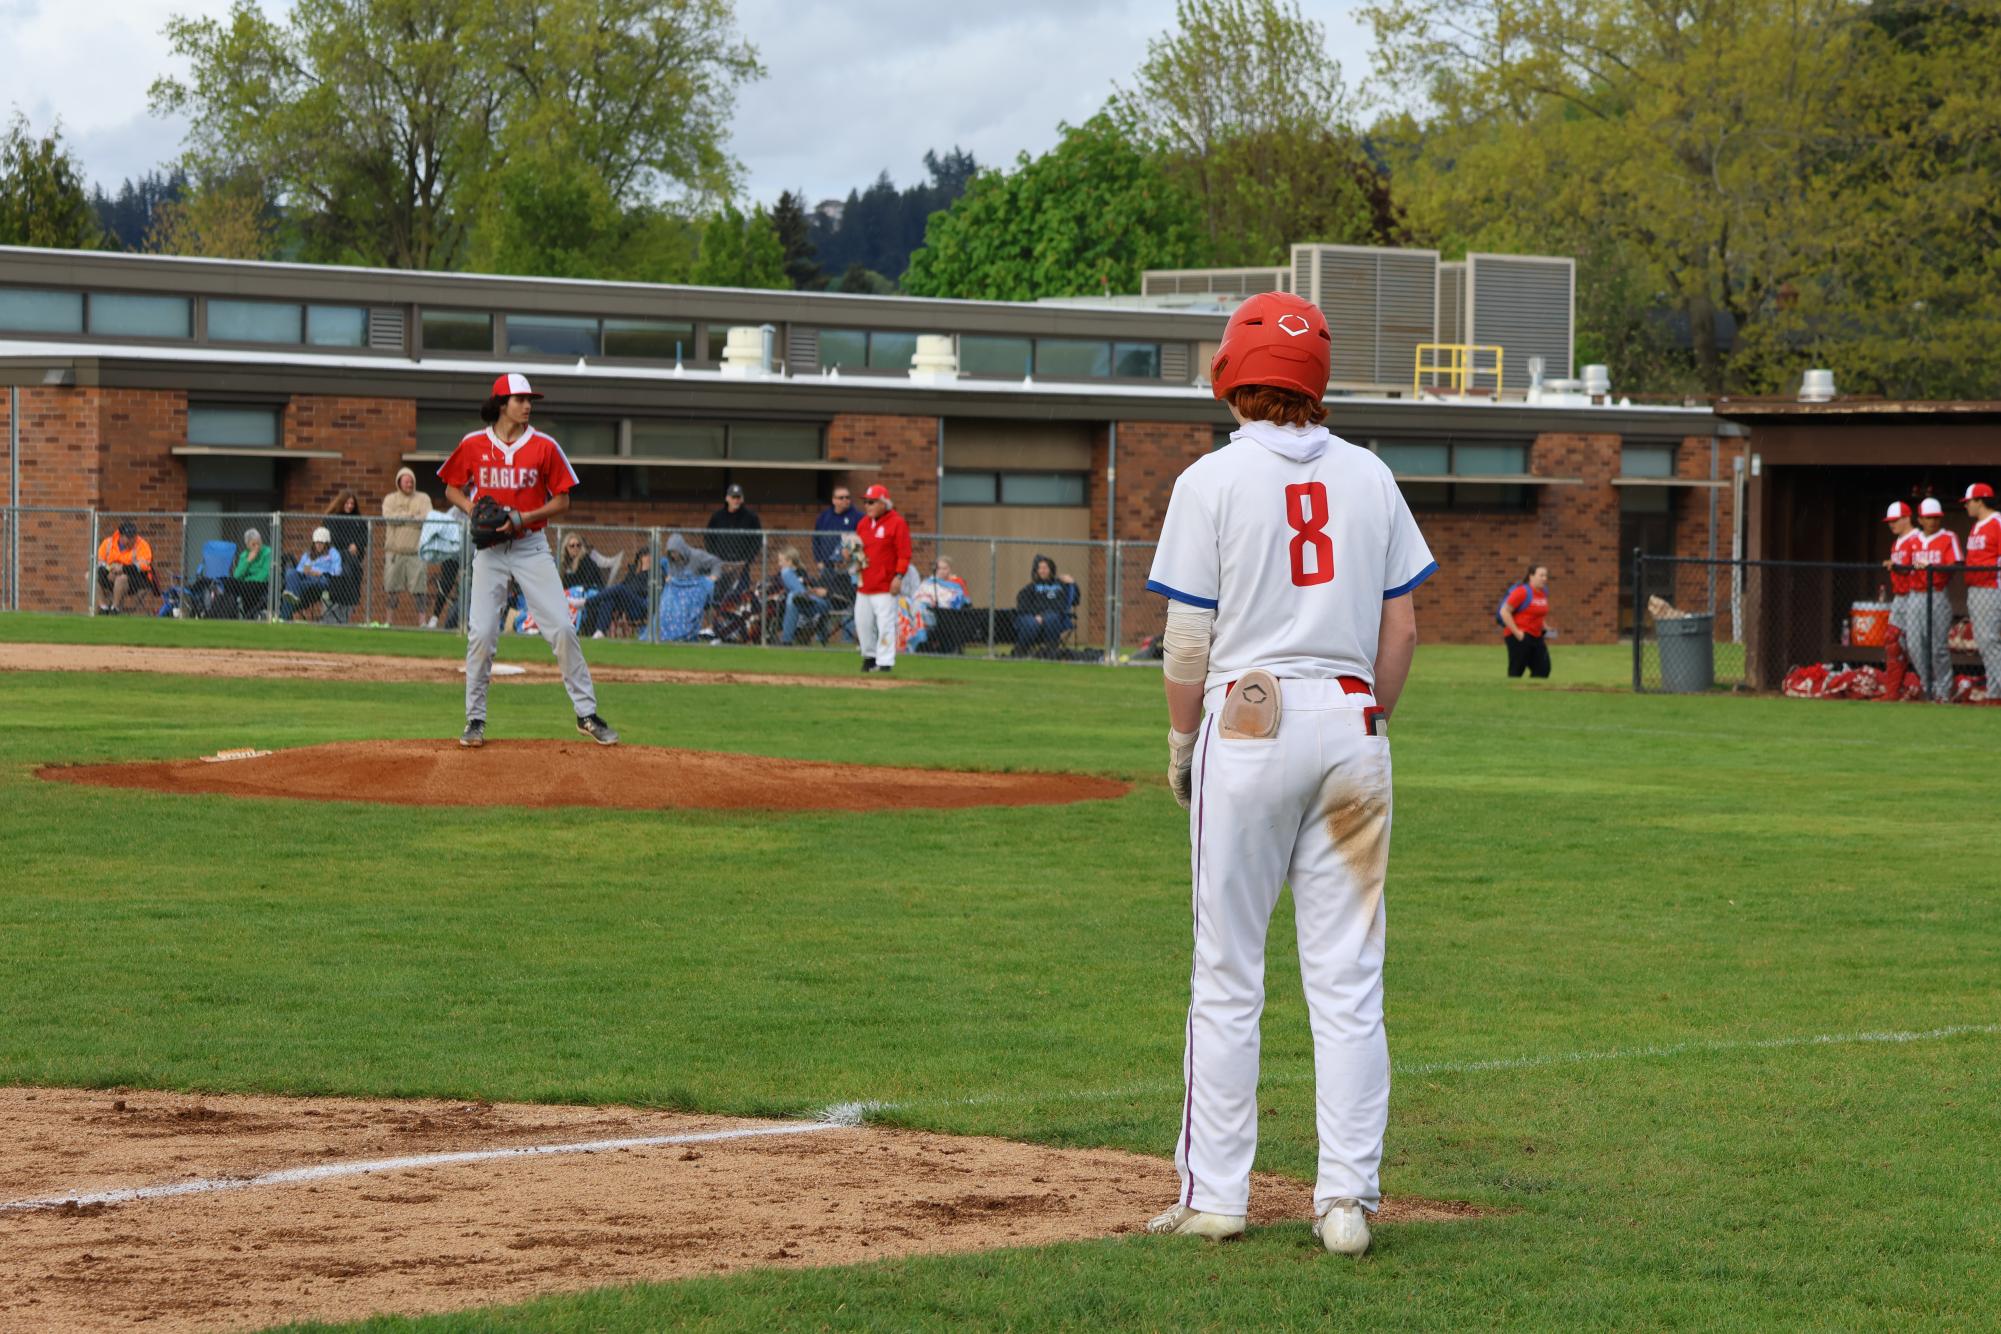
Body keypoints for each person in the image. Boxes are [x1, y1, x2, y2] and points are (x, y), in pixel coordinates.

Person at [1142, 290, 1433, 1257]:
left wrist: (1183, 743)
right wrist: (1371, 715)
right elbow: (1401, 626)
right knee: (1347, 980)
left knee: (1227, 970)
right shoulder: (1371, 475)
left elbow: (1188, 638)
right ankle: (1345, 1200)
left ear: (1230, 373)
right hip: (1351, 720)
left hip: (1251, 715)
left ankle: (1218, 1196)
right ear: (1318, 379)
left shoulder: (1209, 479)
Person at [437, 371, 617, 748]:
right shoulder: (473, 444)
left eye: (529, 400)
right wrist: (472, 509)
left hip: (531, 546)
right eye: (520, 399)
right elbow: (452, 488)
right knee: (482, 635)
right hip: (490, 552)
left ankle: (586, 714)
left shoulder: (545, 446)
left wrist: (523, 517)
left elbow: (563, 499)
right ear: (501, 404)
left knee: (563, 629)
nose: (528, 405)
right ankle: (475, 719)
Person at [855, 482, 911, 672]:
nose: (867, 506)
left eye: (871, 502)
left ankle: (885, 662)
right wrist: (850, 554)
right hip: (864, 583)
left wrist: (899, 576)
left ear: (883, 503)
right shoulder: (863, 523)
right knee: (862, 624)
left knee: (885, 624)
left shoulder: (897, 523)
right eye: (866, 502)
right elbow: (858, 551)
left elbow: (904, 553)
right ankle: (869, 657)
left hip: (886, 585)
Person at [1911, 496, 1962, 701]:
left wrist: (1933, 568)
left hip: (1937, 594)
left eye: (1936, 518)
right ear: (1920, 519)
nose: (1933, 522)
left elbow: (1957, 564)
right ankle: (1927, 685)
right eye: (1928, 518)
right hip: (1915, 595)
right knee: (1914, 645)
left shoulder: (1948, 537)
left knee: (1938, 646)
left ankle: (1944, 689)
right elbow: (1904, 566)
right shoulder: (1913, 539)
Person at [1882, 502, 1923, 699]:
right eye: (1889, 521)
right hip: (1900, 596)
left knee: (1916, 645)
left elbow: (1920, 566)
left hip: (1915, 597)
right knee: (1892, 641)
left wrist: (1900, 566)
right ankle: (1892, 692)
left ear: (1907, 518)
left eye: (1895, 520)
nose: (1892, 525)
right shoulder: (1896, 541)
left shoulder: (1917, 538)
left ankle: (1932, 690)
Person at [381, 467, 432, 623]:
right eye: (405, 481)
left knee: (420, 590)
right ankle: (389, 622)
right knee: (391, 589)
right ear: (399, 482)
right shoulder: (390, 499)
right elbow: (389, 518)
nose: (409, 484)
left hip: (416, 553)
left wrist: (402, 519)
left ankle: (422, 623)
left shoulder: (423, 498)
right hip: (394, 553)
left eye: (411, 481)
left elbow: (427, 518)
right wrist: (411, 517)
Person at [1963, 483, 2000, 692]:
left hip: (1992, 588)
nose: (1967, 506)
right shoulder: (1976, 525)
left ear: (1980, 501)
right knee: (1984, 641)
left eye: (1969, 501)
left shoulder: (1997, 522)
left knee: (1989, 640)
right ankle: (1995, 691)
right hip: (1975, 589)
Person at [1013, 554, 1078, 657]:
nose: (1042, 571)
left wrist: (1073, 584)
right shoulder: (1032, 587)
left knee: (1051, 618)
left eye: (1045, 568)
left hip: (1054, 615)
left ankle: (1051, 651)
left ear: (1051, 569)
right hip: (1034, 615)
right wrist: (1036, 615)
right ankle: (1021, 650)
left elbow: (1075, 600)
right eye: (1040, 568)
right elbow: (1022, 604)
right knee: (1030, 623)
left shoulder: (1060, 585)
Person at [705, 482, 763, 597]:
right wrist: (715, 558)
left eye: (738, 497)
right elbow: (709, 538)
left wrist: (747, 559)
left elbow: (757, 540)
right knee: (718, 596)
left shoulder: (751, 517)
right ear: (727, 498)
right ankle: (719, 615)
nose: (735, 500)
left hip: (741, 566)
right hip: (721, 564)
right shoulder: (717, 517)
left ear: (742, 499)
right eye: (733, 497)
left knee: (740, 596)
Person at [583, 547, 652, 639]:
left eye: (649, 556)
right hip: (627, 604)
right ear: (640, 558)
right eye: (644, 556)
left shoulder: (655, 574)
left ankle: (587, 602)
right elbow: (624, 584)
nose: (647, 558)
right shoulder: (633, 572)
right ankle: (600, 631)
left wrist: (628, 590)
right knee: (610, 598)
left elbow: (644, 591)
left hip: (642, 605)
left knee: (619, 588)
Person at [1498, 565, 1551, 678]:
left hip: (1537, 636)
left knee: (1543, 669)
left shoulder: (1544, 592)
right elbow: (1504, 612)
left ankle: (1535, 693)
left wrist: (1546, 627)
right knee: (1517, 670)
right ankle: (1512, 693)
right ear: (1531, 576)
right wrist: (1518, 634)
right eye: (1541, 575)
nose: (1544, 578)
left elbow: (1536, 614)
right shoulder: (1522, 592)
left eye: (1546, 576)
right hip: (1519, 636)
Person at [282, 526, 343, 620]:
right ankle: (292, 596)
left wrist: (321, 573)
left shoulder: (333, 553)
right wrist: (306, 571)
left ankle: (284, 617)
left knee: (293, 587)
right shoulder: (309, 554)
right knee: (291, 572)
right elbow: (300, 569)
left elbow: (337, 571)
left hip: (322, 580)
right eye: (316, 543)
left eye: (321, 543)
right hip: (306, 576)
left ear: (327, 543)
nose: (318, 545)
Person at [95, 520, 155, 614]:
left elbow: (144, 565)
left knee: (121, 578)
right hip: (110, 575)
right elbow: (99, 561)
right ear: (120, 536)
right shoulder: (108, 543)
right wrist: (110, 569)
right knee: (89, 575)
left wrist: (123, 568)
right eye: (128, 537)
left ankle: (115, 609)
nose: (132, 540)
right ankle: (104, 608)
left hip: (135, 580)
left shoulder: (142, 545)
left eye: (133, 536)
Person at [419, 505, 464, 629]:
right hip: (452, 554)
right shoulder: (453, 511)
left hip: (471, 555)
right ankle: (434, 618)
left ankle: (468, 620)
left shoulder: (476, 508)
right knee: (446, 584)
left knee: (471, 586)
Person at [775, 546, 830, 645]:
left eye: (781, 561)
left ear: (790, 562)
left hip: (816, 602)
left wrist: (809, 590)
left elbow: (816, 589)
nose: (779, 564)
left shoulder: (800, 572)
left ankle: (786, 641)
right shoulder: (781, 575)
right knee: (792, 597)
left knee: (792, 595)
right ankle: (786, 641)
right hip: (801, 603)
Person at [326, 489, 368, 611]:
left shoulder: (358, 521)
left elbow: (364, 537)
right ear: (341, 502)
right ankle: (337, 600)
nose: (350, 506)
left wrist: (357, 545)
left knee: (353, 570)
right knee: (344, 571)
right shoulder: (332, 518)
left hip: (353, 558)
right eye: (347, 503)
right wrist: (348, 546)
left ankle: (349, 601)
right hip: (337, 556)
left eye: (352, 504)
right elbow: (333, 538)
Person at [225, 527, 272, 619]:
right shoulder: (245, 555)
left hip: (261, 584)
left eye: (259, 543)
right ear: (247, 545)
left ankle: (249, 616)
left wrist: (248, 580)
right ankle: (229, 614)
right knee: (229, 583)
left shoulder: (267, 553)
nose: (257, 547)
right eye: (253, 544)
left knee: (248, 587)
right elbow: (237, 575)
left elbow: (265, 574)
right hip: (246, 584)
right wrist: (248, 561)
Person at [813, 486, 861, 565]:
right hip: (827, 564)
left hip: (850, 565)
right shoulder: (824, 517)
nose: (845, 500)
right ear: (834, 500)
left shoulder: (858, 517)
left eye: (847, 497)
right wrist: (819, 561)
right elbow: (816, 539)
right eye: (841, 498)